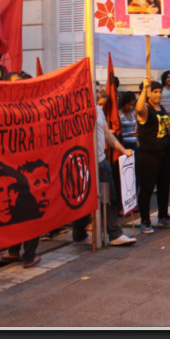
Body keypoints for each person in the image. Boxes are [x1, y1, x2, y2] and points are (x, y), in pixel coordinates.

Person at [73, 81, 138, 248]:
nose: (97, 93)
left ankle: (114, 233)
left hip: (101, 161)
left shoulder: (98, 110)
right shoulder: (77, 111)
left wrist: (123, 150)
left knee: (110, 198)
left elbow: (107, 134)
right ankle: (79, 234)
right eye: (93, 90)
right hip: (84, 163)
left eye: (98, 90)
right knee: (84, 200)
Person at [135, 79, 170, 234]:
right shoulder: (146, 110)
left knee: (164, 187)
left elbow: (168, 131)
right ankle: (145, 221)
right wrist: (144, 89)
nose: (158, 95)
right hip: (149, 155)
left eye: (160, 92)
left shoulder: (161, 108)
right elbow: (138, 108)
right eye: (155, 92)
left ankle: (163, 215)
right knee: (146, 189)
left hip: (165, 154)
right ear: (148, 93)